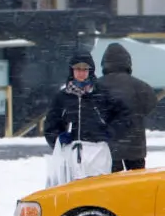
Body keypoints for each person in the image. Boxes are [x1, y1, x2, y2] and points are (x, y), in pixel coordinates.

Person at [43, 51, 131, 185]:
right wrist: (58, 138)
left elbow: (124, 115)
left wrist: (111, 133)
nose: (81, 73)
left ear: (91, 71)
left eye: (85, 69)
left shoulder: (101, 94)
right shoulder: (62, 97)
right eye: (78, 69)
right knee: (70, 192)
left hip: (98, 152)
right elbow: (50, 124)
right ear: (71, 70)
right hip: (70, 152)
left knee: (97, 190)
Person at [97, 42, 158, 172]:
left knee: (113, 185)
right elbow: (151, 103)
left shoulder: (97, 86)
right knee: (136, 184)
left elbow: (94, 112)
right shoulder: (141, 86)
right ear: (127, 62)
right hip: (136, 145)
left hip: (109, 147)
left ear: (104, 63)